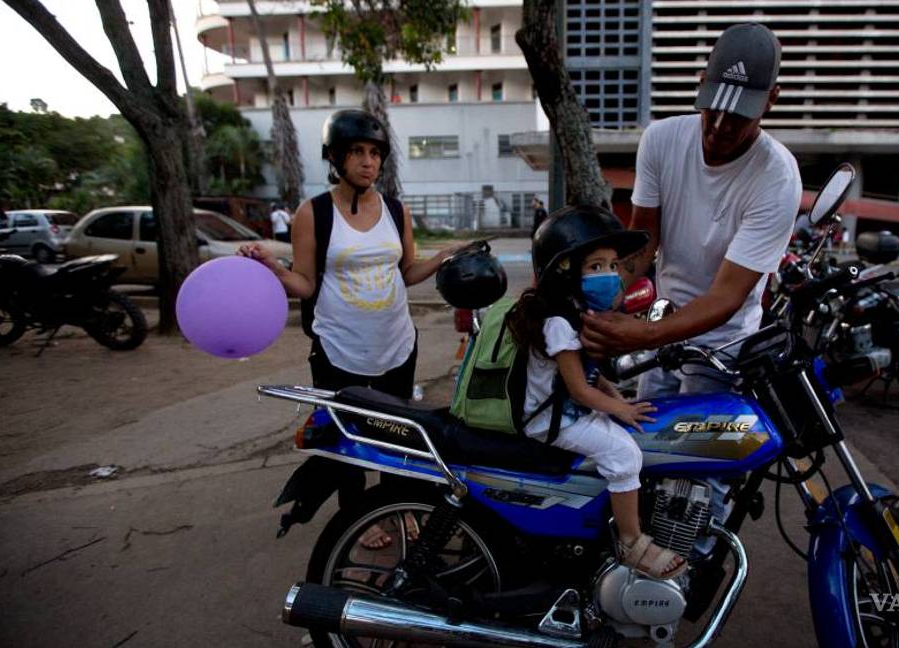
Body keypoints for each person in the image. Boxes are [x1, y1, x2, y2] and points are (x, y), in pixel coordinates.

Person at [579, 23, 802, 553]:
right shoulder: (662, 139)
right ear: (700, 82)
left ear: (771, 100)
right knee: (643, 452)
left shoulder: (777, 177)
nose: (720, 126)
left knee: (703, 474)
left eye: (739, 114)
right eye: (712, 106)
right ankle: (632, 560)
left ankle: (690, 562)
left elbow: (727, 297)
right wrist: (595, 298)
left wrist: (634, 337)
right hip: (664, 327)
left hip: (724, 342)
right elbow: (643, 243)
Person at [239, 110, 464, 547]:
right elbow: (304, 282)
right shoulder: (314, 213)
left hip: (396, 343)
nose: (368, 162)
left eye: (375, 153)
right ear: (336, 158)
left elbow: (407, 271)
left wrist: (444, 256)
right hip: (339, 346)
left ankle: (398, 507)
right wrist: (271, 267)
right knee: (348, 437)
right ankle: (359, 518)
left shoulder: (397, 211)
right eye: (358, 152)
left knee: (400, 436)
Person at [512, 205, 684, 579]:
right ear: (564, 271)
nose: (608, 276)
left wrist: (618, 400)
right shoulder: (558, 323)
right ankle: (631, 541)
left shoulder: (576, 311)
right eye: (594, 267)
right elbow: (578, 389)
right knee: (624, 454)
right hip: (549, 420)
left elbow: (592, 377)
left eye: (611, 266)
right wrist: (619, 410)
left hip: (567, 409)